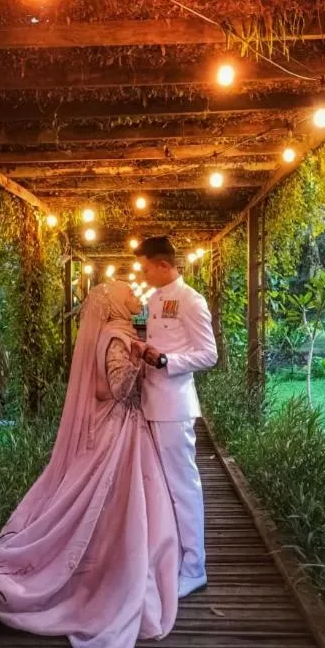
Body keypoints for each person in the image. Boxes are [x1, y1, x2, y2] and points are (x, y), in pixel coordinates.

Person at [0, 279, 179, 648]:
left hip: (118, 428)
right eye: (127, 290)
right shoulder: (116, 336)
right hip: (117, 432)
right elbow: (116, 389)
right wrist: (140, 361)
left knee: (119, 504)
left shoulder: (114, 332)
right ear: (113, 302)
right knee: (116, 505)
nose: (135, 294)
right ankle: (110, 574)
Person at [133, 236, 218, 599]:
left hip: (174, 406)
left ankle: (195, 568)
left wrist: (167, 360)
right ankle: (171, 555)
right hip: (150, 402)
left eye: (145, 268)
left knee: (183, 487)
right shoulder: (154, 300)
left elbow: (209, 354)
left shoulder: (191, 300)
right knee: (162, 485)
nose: (143, 274)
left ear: (164, 265)